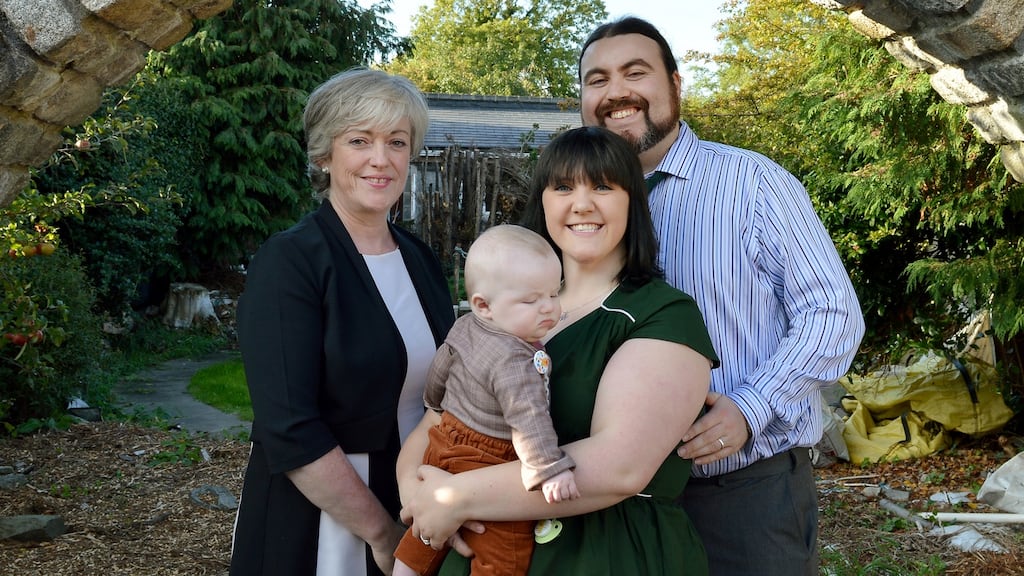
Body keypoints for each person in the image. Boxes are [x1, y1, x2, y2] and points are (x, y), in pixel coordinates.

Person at [577, 17, 866, 575]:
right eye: (598, 79)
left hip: (740, 495)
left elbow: (831, 314)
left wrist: (751, 407)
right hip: (610, 505)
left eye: (636, 72)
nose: (617, 92)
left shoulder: (754, 183)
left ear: (676, 84)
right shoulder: (569, 202)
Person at [397, 126, 720, 575]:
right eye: (563, 186)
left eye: (603, 187)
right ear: (543, 201)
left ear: (633, 201)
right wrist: (415, 495)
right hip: (474, 545)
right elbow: (437, 417)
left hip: (602, 553)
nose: (582, 203)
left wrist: (452, 498)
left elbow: (620, 467)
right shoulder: (501, 308)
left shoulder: (662, 315)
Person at [228, 67, 455, 576]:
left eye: (397, 142)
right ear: (324, 155)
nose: (381, 159)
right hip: (321, 518)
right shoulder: (291, 261)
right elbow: (289, 426)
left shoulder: (419, 257)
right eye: (360, 140)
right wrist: (380, 531)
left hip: (415, 501)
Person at [393, 224, 578, 576]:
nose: (548, 309)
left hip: (445, 440)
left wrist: (435, 405)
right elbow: (529, 420)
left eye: (554, 294)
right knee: (503, 550)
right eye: (531, 300)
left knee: (422, 536)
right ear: (484, 305)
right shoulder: (515, 360)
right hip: (491, 456)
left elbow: (441, 365)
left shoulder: (465, 325)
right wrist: (549, 470)